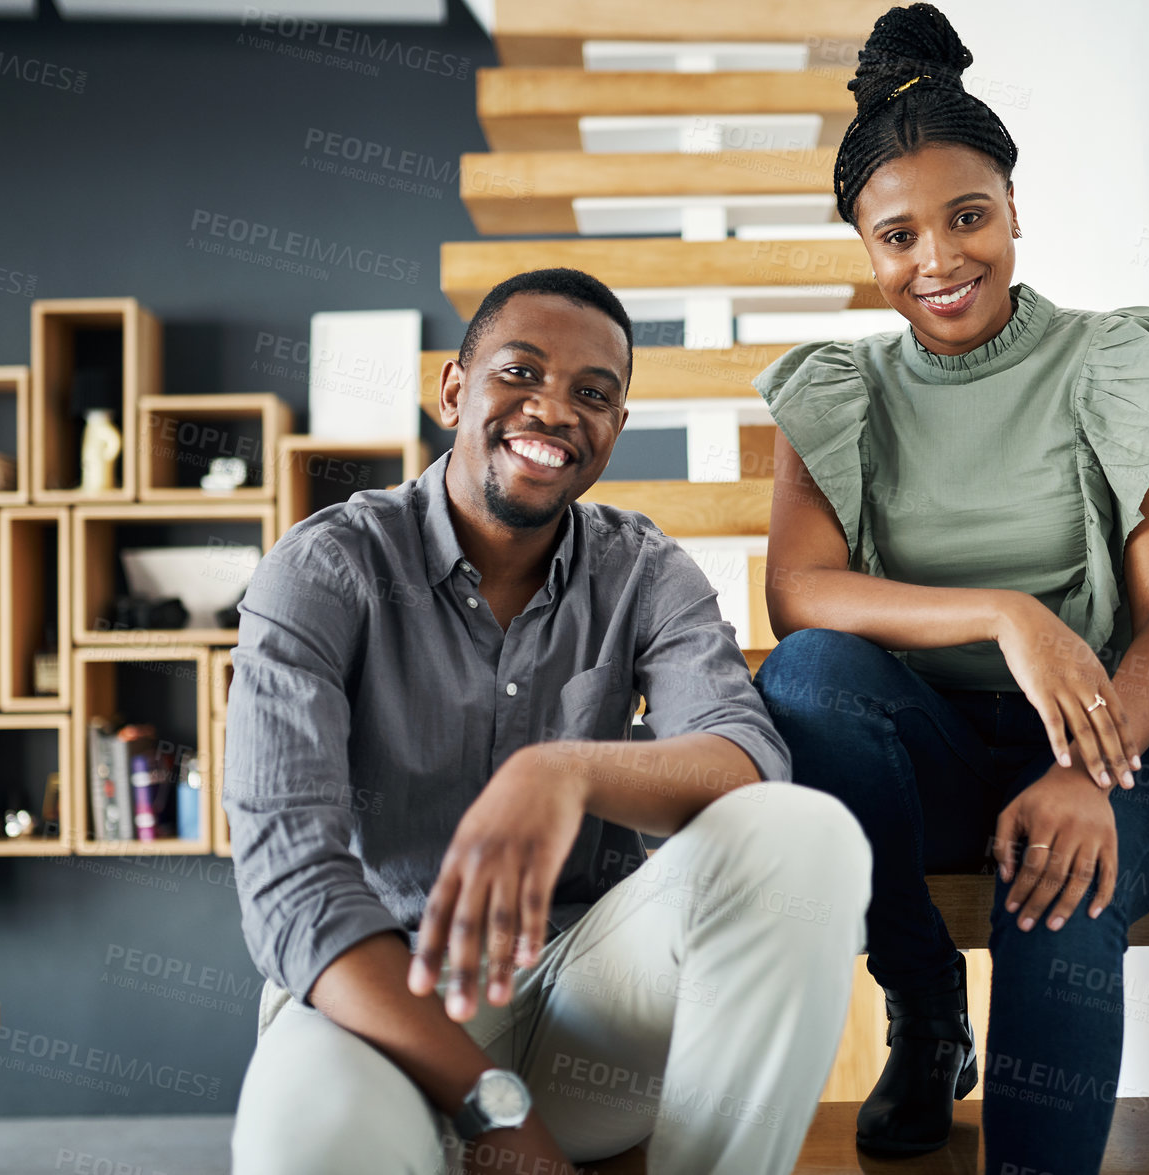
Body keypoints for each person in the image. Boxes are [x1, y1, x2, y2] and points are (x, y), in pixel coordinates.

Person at [224, 267, 872, 1175]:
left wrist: (559, 771)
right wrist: (498, 1112)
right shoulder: (327, 567)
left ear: (615, 429)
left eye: (593, 394)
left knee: (805, 833)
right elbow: (293, 887)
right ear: (455, 390)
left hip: (586, 1006)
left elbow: (746, 764)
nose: (553, 409)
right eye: (520, 373)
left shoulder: (643, 568)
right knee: (311, 1148)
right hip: (378, 1011)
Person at [749, 6, 1149, 1172]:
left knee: (1059, 893)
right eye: (896, 235)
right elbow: (800, 596)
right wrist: (1002, 612)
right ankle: (922, 1007)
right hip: (923, 762)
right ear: (865, 249)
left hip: (1121, 745)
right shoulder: (837, 392)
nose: (938, 261)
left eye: (968, 218)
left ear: (1013, 210)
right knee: (809, 674)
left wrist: (1081, 767)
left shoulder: (1117, 365)